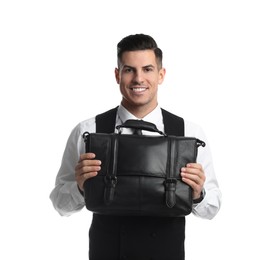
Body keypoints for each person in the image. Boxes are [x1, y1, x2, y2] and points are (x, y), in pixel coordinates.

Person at [50, 33, 222, 260]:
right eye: (129, 69)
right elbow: (60, 205)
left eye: (148, 69)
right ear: (117, 75)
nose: (138, 78)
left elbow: (213, 208)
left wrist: (198, 194)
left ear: (161, 75)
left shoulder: (189, 133)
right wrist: (81, 187)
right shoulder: (87, 131)